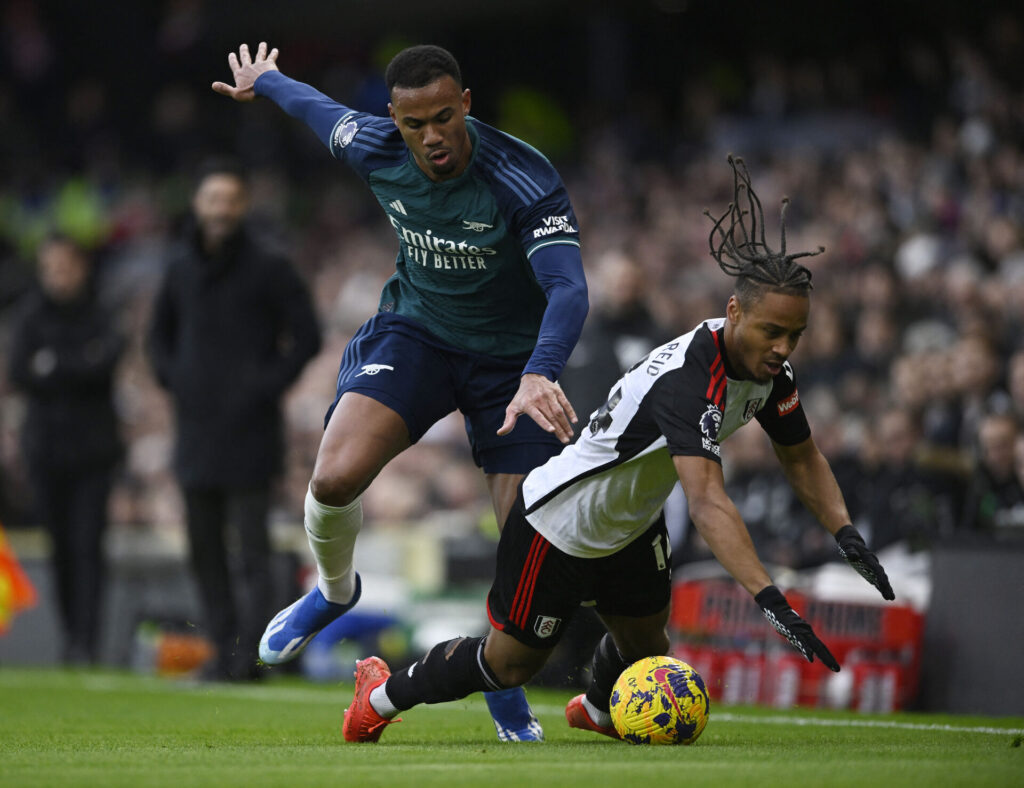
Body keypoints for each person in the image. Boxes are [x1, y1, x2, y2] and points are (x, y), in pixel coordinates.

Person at [338, 156, 895, 744]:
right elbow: (707, 502)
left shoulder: (766, 372)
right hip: (560, 521)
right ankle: (377, 694)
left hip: (630, 524)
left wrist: (845, 532)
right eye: (772, 332)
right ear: (735, 312)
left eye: (794, 336)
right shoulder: (688, 382)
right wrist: (770, 598)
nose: (784, 348)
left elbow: (803, 457)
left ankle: (598, 711)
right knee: (509, 665)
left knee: (648, 646)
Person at [212, 43, 588, 738]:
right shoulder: (372, 143)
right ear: (395, 119)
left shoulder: (521, 176)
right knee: (332, 479)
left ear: (466, 104)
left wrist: (541, 369)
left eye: (446, 117)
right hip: (417, 335)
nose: (433, 136)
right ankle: (333, 592)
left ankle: (495, 675)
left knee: (523, 546)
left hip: (511, 365)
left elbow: (568, 285)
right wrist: (266, 81)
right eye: (416, 124)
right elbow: (318, 110)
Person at [148, 157, 321, 681]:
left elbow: (307, 335)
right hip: (196, 430)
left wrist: (263, 385)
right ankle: (224, 652)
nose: (221, 210)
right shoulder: (180, 267)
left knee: (252, 552)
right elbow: (157, 336)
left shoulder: (270, 265)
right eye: (212, 199)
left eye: (230, 200)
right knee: (205, 552)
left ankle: (252, 656)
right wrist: (174, 377)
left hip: (250, 431)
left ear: (242, 206)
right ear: (198, 206)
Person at [7, 234, 124, 665]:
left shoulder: (101, 312)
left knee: (88, 546)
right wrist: (79, 363)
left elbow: (106, 362)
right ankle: (70, 638)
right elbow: (21, 370)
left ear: (81, 267)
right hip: (47, 452)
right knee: (59, 549)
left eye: (66, 266)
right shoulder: (29, 315)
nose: (59, 275)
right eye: (52, 267)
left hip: (94, 452)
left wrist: (54, 364)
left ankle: (87, 644)